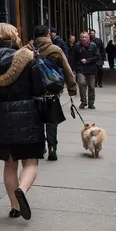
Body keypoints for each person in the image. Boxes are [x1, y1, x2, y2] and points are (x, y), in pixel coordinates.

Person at [0, 23, 45, 221]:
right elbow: (39, 87)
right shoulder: (28, 57)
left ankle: (14, 206)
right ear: (14, 36)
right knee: (31, 161)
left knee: (9, 164)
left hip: (1, 116)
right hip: (28, 115)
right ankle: (22, 189)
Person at [33, 25, 77, 161]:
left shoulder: (28, 50)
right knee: (51, 122)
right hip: (51, 92)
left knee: (37, 122)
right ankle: (52, 147)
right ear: (47, 35)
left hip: (34, 93)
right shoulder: (55, 50)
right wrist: (72, 89)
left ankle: (40, 147)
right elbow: (67, 69)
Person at [73, 32, 102, 109]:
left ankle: (91, 103)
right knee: (81, 84)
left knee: (91, 87)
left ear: (88, 38)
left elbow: (97, 56)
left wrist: (87, 60)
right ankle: (83, 101)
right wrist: (73, 69)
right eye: (82, 37)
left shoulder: (93, 45)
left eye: (85, 37)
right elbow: (73, 58)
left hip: (91, 69)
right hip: (80, 69)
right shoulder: (77, 46)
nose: (84, 39)